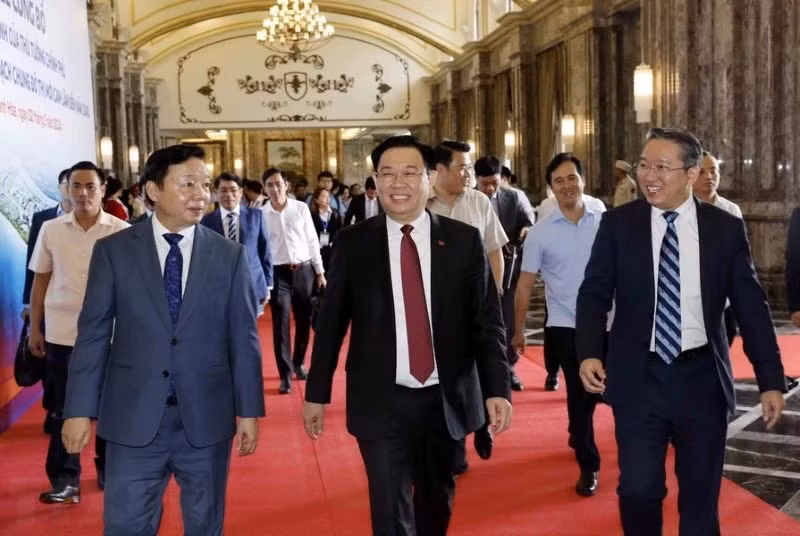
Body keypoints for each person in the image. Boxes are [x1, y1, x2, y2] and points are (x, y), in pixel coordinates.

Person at [576, 127, 786, 535]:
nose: (648, 175)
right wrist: (588, 351)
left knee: (700, 500)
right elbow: (593, 294)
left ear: (691, 174)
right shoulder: (619, 224)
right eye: (643, 165)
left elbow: (752, 308)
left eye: (661, 167)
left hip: (702, 379)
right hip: (639, 377)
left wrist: (770, 380)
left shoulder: (723, 229)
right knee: (638, 489)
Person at [303, 135, 512, 536]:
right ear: (376, 183)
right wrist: (317, 392)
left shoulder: (462, 241)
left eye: (410, 173)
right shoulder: (353, 244)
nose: (398, 183)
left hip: (444, 397)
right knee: (389, 507)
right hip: (381, 398)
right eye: (388, 174)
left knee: (436, 500)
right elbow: (331, 325)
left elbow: (487, 323)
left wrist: (497, 388)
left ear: (430, 180)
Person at [61, 145, 265, 534]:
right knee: (126, 525)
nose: (201, 194)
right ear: (153, 191)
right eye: (187, 184)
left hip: (205, 419)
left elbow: (243, 339)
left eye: (204, 184)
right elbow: (93, 334)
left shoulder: (229, 256)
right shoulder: (114, 251)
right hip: (133, 418)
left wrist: (249, 410)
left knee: (205, 524)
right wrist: (77, 409)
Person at [28, 161, 129, 504]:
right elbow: (40, 280)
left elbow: (132, 288)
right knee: (63, 409)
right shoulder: (51, 230)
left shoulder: (120, 230)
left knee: (109, 406)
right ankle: (65, 479)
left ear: (103, 189)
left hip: (110, 335)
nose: (83, 193)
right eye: (76, 186)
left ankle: (107, 469)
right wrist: (35, 329)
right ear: (66, 190)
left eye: (90, 186)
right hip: (61, 334)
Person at [513, 153, 605, 497]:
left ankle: (578, 430)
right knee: (581, 395)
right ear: (550, 189)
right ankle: (588, 464)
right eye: (559, 181)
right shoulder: (540, 233)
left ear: (583, 179)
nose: (567, 186)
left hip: (610, 322)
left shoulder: (604, 219)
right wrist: (519, 329)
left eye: (572, 178)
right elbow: (524, 284)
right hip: (567, 324)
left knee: (605, 392)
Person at [262, 167, 326, 394]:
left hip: (304, 271)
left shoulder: (300, 208)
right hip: (278, 274)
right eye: (270, 185)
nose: (275, 188)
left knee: (303, 320)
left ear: (286, 185)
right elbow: (262, 250)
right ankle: (284, 375)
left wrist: (319, 271)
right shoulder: (262, 214)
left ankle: (299, 362)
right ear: (264, 189)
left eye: (278, 184)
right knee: (280, 325)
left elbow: (312, 240)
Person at [475, 156, 534, 392]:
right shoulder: (469, 200)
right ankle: (479, 372)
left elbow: (528, 219)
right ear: (476, 180)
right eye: (484, 184)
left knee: (508, 320)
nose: (490, 189)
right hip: (477, 271)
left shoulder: (515, 196)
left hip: (508, 268)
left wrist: (525, 229)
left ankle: (509, 369)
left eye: (495, 183)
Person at [22, 167, 73, 435]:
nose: (71, 189)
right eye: (67, 183)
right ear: (60, 186)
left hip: (74, 306)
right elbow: (33, 266)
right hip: (47, 302)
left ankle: (62, 409)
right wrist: (28, 306)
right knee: (49, 361)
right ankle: (53, 407)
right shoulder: (42, 219)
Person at [201, 172, 273, 316]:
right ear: (216, 193)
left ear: (240, 192)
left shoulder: (256, 216)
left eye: (233, 190)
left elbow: (265, 251)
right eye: (223, 190)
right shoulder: (206, 222)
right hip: (219, 288)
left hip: (252, 284)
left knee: (249, 333)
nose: (229, 195)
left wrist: (267, 285)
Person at [310, 186, 342, 273]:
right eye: (324, 197)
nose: (327, 199)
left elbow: (340, 231)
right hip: (317, 250)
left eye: (329, 197)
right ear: (316, 200)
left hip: (332, 249)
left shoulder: (335, 214)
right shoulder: (312, 215)